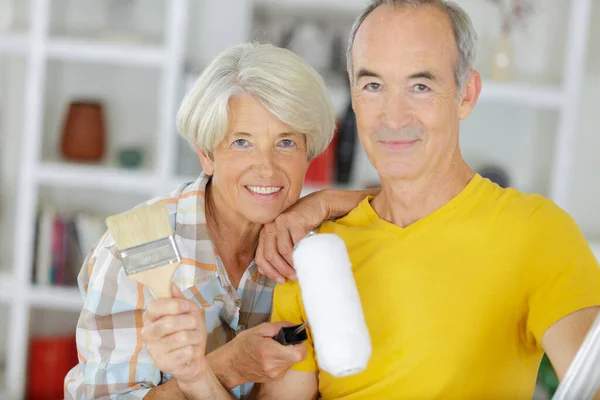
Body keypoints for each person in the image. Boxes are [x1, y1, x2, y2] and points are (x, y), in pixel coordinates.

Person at [161, 1, 600, 399]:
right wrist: (198, 376)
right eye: (373, 86)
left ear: (466, 93)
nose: (393, 116)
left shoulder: (534, 233)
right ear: (353, 95)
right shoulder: (311, 253)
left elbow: (590, 380)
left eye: (420, 86)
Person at [63, 42, 378, 399]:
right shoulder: (132, 251)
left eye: (286, 143)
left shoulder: (315, 246)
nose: (266, 167)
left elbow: (427, 207)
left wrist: (322, 202)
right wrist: (228, 367)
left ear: (310, 152)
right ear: (206, 154)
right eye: (242, 142)